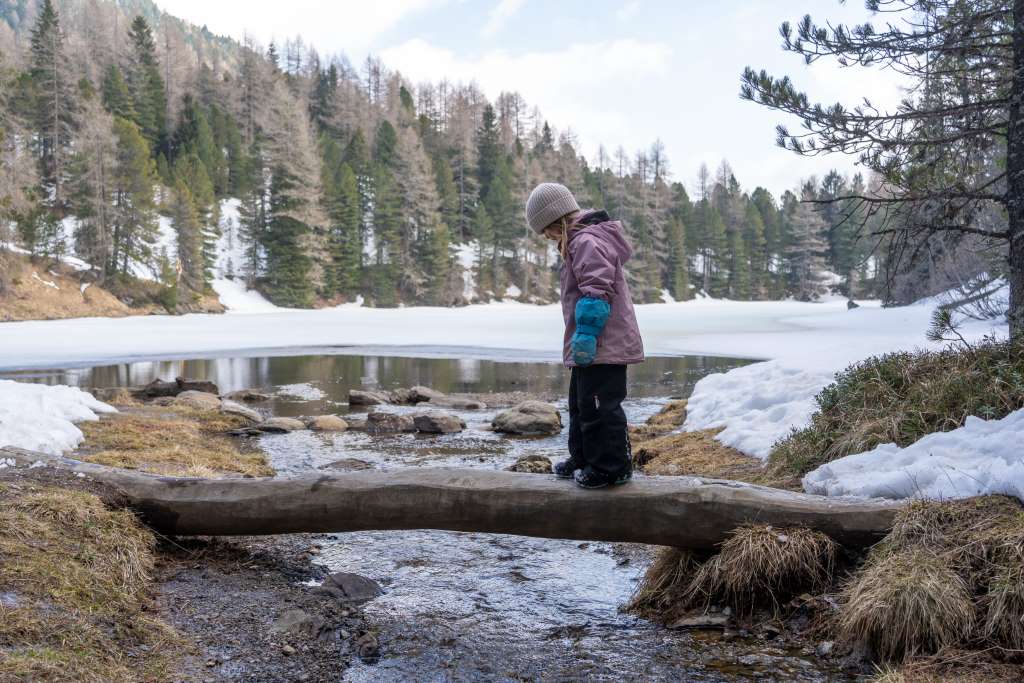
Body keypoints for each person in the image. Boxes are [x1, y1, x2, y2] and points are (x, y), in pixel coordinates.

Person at [525, 182, 645, 489]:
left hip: (604, 344)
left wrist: (587, 335)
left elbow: (596, 291)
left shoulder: (586, 242)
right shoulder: (578, 241)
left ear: (557, 221)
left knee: (599, 406)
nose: (548, 239)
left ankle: (611, 468)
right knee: (580, 404)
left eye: (547, 232)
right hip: (592, 344)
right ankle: (583, 457)